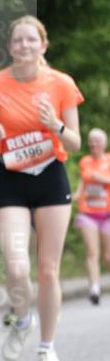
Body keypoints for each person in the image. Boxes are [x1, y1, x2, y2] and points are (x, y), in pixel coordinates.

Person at [0, 15, 83, 361]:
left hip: (51, 176)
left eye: (30, 40)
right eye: (17, 41)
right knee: (15, 264)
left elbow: (74, 141)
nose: (23, 46)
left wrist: (54, 124)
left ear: (43, 45)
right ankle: (23, 320)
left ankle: (47, 349)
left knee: (48, 270)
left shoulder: (61, 84)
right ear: (9, 47)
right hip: (11, 177)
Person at [72, 128, 110, 304]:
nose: (94, 144)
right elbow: (82, 187)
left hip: (107, 213)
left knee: (107, 255)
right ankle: (94, 288)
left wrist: (102, 179)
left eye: (97, 141)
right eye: (91, 141)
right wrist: (71, 197)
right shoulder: (85, 161)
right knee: (92, 252)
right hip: (88, 212)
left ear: (104, 143)